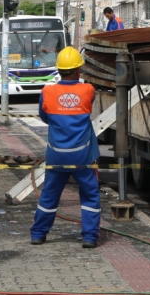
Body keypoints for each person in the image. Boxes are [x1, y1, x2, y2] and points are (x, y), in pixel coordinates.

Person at [30, 46, 100, 248]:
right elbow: (88, 106)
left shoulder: (47, 91)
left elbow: (45, 117)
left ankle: (38, 234)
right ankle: (89, 237)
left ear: (58, 69)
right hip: (83, 157)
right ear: (78, 70)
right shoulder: (88, 90)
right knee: (90, 196)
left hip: (57, 156)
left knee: (49, 195)